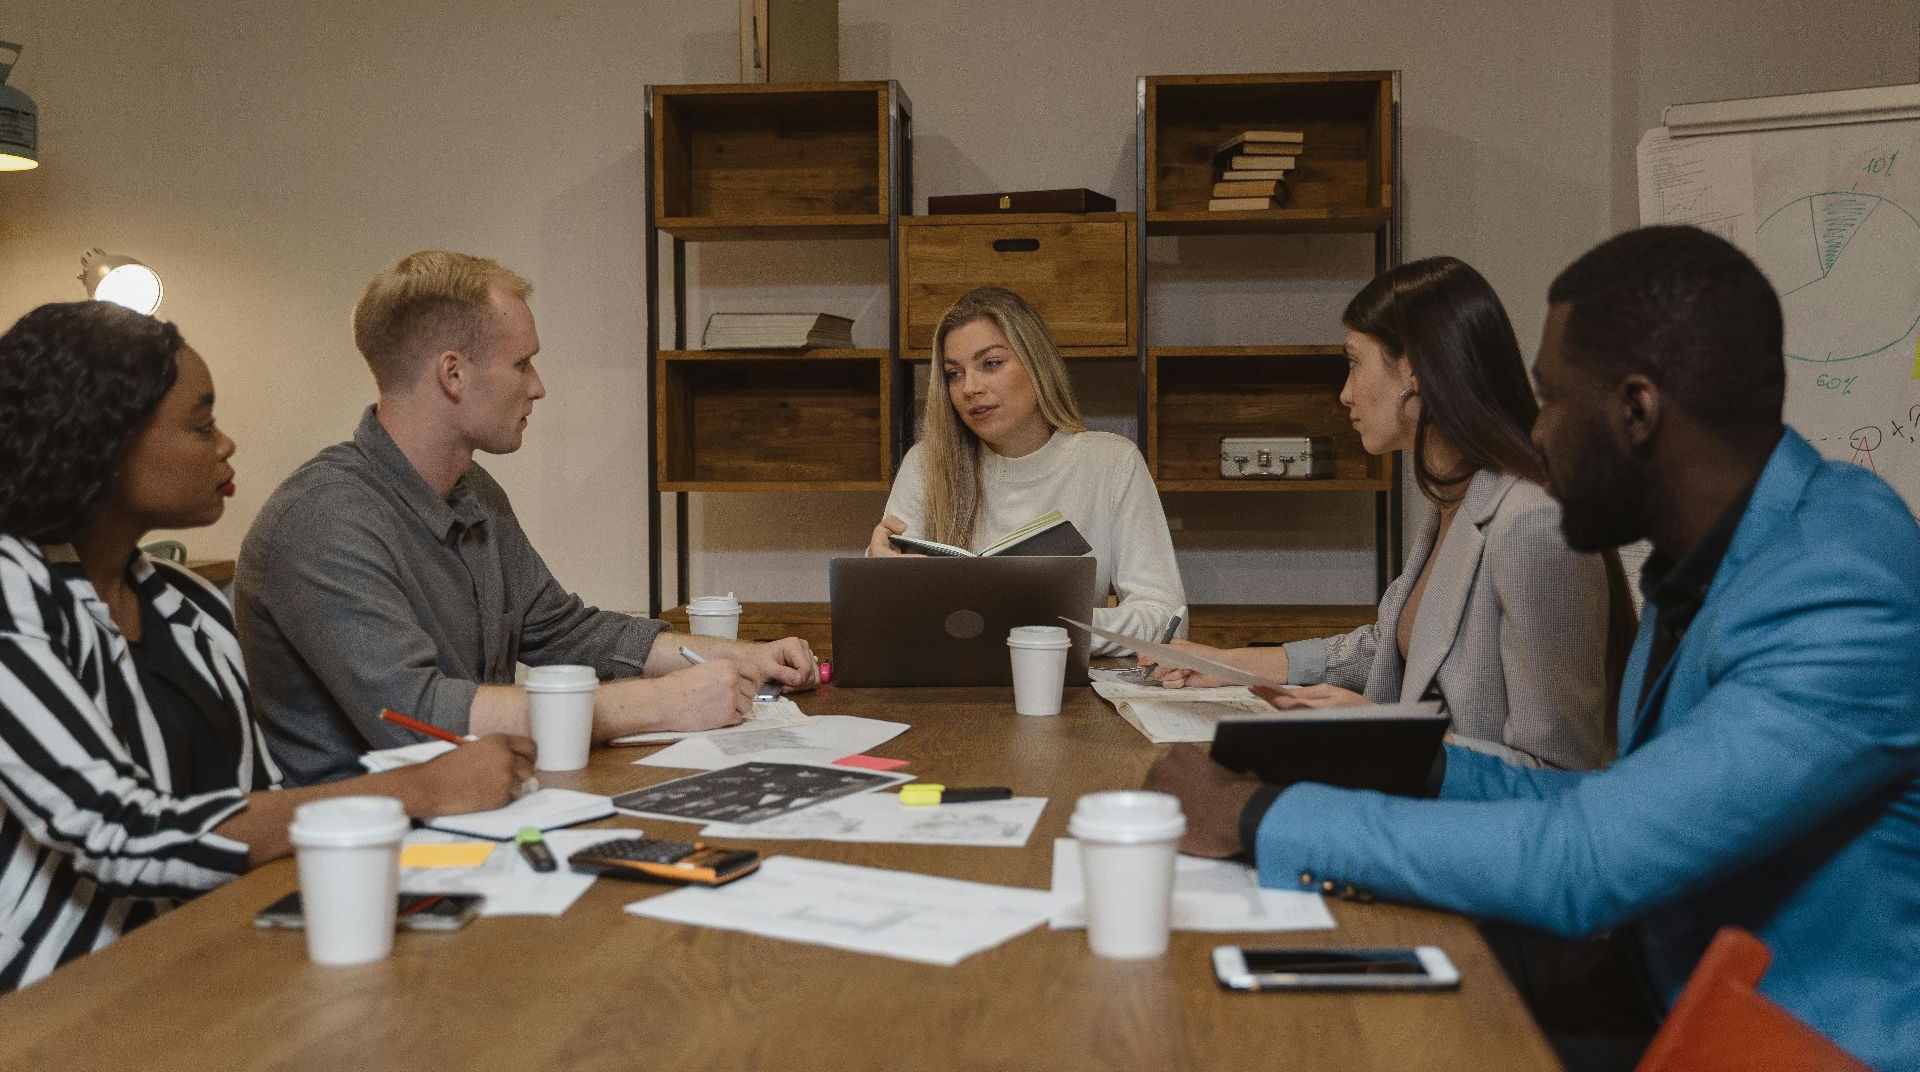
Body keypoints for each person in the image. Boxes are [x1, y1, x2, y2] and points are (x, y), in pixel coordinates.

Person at [1145, 226, 1920, 1071]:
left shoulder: (1844, 586)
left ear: (1635, 411)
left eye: (1551, 402)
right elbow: (1614, 802)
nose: (1534, 435)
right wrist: (1390, 760)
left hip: (1778, 1045)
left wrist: (1257, 816)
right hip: (1657, 980)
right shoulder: (1709, 552)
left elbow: (1587, 856)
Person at [0, 302, 532, 991]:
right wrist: (423, 787)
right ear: (102, 442)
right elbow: (120, 832)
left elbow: (262, 801)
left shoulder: (181, 599)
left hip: (210, 960)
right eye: (199, 424)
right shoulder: (15, 591)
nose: (225, 444)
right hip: (58, 997)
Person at [236, 251, 818, 785]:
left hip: (480, 807)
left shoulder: (474, 492)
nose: (537, 388)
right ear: (453, 373)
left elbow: (564, 631)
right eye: (523, 363)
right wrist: (659, 703)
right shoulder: (321, 521)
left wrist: (739, 656)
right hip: (362, 848)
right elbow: (414, 714)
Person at [1153, 257, 1631, 771]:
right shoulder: (1455, 499)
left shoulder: (1532, 522)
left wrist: (1380, 732)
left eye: (1354, 362)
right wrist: (1232, 665)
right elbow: (1389, 645)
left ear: (1415, 371)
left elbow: (1561, 774)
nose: (1344, 393)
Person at [866, 286, 1184, 655]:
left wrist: (1049, 628)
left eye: (991, 364)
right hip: (948, 685)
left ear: (1036, 364)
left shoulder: (1111, 463)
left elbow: (1165, 618)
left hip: (1059, 685)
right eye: (954, 374)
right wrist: (878, 576)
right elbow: (886, 623)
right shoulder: (925, 464)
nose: (969, 388)